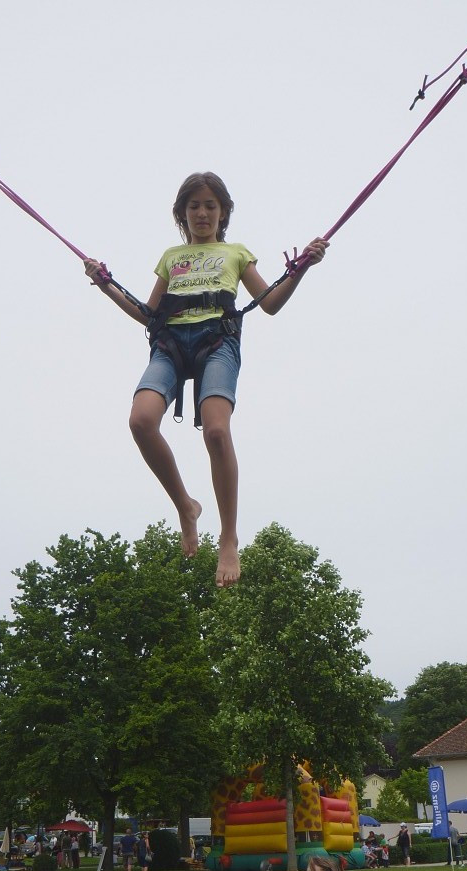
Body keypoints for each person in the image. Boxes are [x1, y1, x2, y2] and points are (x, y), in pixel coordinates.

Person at [84, 172, 329, 588]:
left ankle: (229, 538)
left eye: (210, 205)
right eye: (194, 206)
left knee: (216, 431)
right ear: (183, 213)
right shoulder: (171, 257)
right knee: (140, 421)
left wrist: (302, 268)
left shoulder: (236, 253)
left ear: (223, 212)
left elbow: (269, 303)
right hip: (171, 344)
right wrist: (106, 285)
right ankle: (186, 506)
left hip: (217, 341)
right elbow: (149, 313)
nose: (202, 212)